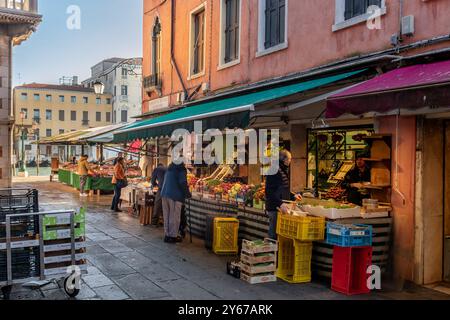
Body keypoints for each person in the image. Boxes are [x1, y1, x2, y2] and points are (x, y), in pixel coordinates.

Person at [265, 150, 302, 240]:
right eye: (289, 159)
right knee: (273, 235)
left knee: (279, 235)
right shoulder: (274, 171)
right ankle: (271, 252)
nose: (290, 161)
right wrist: (280, 203)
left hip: (281, 207)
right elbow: (269, 191)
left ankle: (277, 253)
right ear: (284, 159)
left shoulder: (282, 170)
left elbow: (282, 189)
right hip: (275, 208)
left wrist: (293, 195)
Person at [160, 162, 192, 243]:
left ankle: (167, 235)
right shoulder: (181, 169)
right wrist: (187, 193)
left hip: (164, 194)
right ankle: (173, 236)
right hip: (174, 195)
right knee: (174, 216)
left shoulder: (169, 168)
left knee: (166, 216)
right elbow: (183, 182)